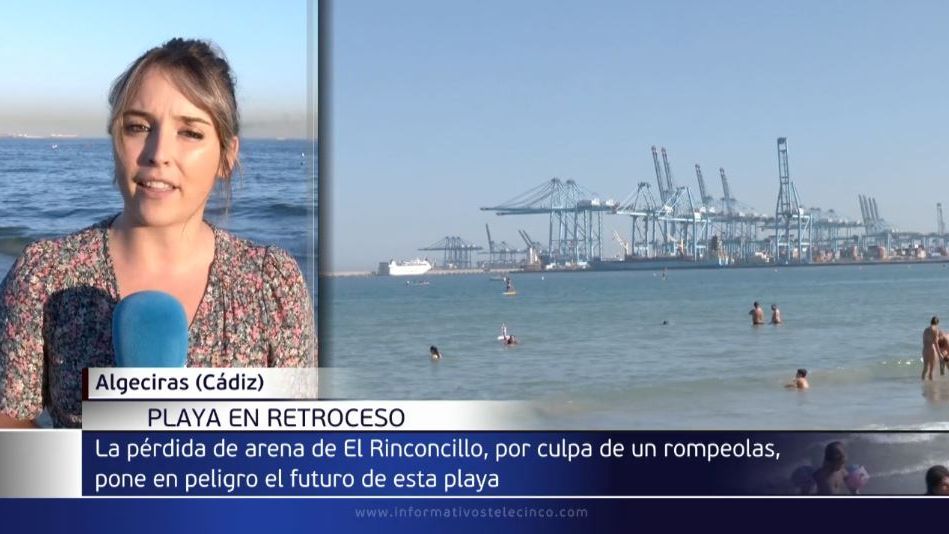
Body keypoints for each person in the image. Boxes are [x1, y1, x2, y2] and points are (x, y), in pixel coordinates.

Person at [0, 38, 316, 429]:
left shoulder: (272, 283)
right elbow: (9, 423)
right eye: (138, 127)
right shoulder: (44, 277)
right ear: (115, 140)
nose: (158, 153)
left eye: (191, 132)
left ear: (227, 156)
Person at [923, 316, 941, 381]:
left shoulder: (926, 330)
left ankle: (923, 383)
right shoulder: (935, 330)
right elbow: (936, 343)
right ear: (937, 323)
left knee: (925, 368)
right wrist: (939, 354)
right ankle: (931, 387)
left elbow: (924, 341)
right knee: (931, 369)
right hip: (931, 349)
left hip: (924, 350)